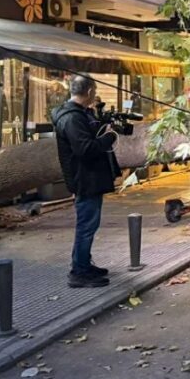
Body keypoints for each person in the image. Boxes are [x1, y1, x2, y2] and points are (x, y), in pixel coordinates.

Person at [53, 76, 121, 288]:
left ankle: (83, 264)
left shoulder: (79, 115)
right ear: (90, 91)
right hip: (84, 178)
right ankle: (79, 272)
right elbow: (85, 149)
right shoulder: (72, 118)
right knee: (86, 226)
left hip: (89, 177)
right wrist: (109, 137)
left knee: (89, 225)